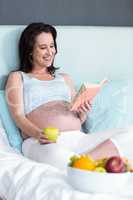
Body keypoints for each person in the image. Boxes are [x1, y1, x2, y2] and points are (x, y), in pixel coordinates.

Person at [5, 22, 123, 170]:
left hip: (78, 138)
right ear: (29, 51)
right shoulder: (18, 77)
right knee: (57, 156)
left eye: (52, 46)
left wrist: (82, 112)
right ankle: (92, 162)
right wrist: (38, 133)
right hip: (41, 142)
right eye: (43, 48)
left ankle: (82, 163)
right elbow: (18, 116)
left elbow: (79, 117)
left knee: (129, 134)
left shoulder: (64, 78)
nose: (50, 52)